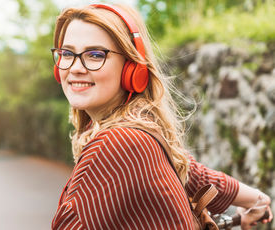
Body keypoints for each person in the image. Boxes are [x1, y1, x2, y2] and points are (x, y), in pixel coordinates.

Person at [50, 3, 272, 230]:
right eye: (67, 53)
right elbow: (189, 171)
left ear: (131, 67)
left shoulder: (119, 143)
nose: (75, 67)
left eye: (95, 55)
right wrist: (256, 200)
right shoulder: (140, 130)